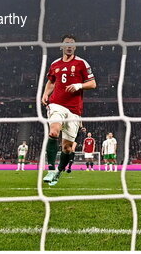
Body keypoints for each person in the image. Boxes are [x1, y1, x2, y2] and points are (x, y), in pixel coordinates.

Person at [41, 35, 96, 186]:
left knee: (67, 148)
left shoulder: (81, 63)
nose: (69, 46)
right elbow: (51, 82)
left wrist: (79, 85)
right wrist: (46, 93)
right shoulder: (55, 64)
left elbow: (93, 83)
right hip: (56, 104)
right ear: (62, 46)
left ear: (75, 47)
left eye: (72, 44)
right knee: (53, 132)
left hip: (74, 110)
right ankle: (51, 169)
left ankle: (58, 171)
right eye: (66, 43)